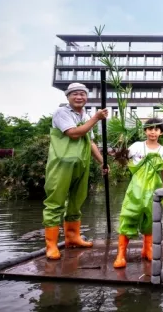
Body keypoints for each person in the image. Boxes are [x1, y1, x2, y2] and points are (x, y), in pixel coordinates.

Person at [43, 83, 109, 260]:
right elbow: (73, 133)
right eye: (75, 94)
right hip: (61, 164)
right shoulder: (62, 113)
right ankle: (51, 245)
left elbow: (91, 142)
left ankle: (73, 237)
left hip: (82, 163)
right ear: (67, 97)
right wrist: (96, 118)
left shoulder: (85, 115)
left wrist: (103, 162)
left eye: (82, 94)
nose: (79, 97)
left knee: (76, 201)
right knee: (55, 202)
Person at [114, 118, 163, 268]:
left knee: (152, 217)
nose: (153, 132)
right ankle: (121, 254)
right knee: (129, 215)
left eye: (156, 129)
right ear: (145, 131)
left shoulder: (162, 150)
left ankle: (147, 249)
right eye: (150, 129)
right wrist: (121, 145)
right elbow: (122, 158)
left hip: (154, 188)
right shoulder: (137, 146)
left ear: (161, 132)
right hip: (136, 188)